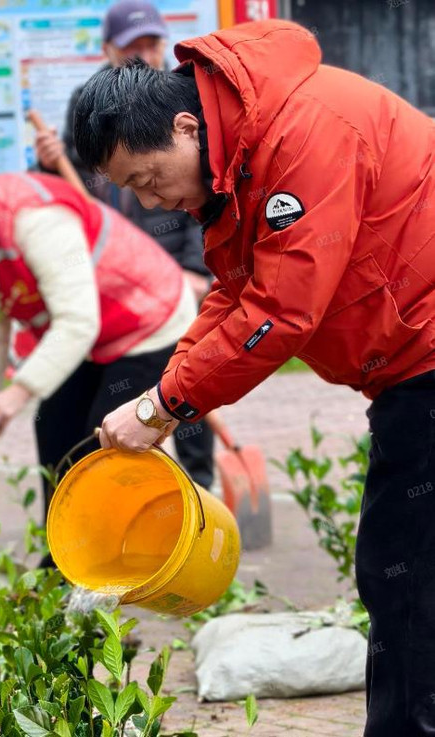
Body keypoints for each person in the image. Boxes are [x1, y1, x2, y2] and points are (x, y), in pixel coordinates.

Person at [71, 17, 435, 737]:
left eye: (148, 179)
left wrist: (161, 405)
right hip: (409, 372)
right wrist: (164, 395)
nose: (151, 203)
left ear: (184, 128)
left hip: (426, 361)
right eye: (133, 190)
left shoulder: (304, 132)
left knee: (406, 572)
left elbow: (281, 310)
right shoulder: (242, 156)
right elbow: (235, 295)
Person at [0, 165, 198, 525]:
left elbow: (77, 321)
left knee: (107, 441)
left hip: (147, 320)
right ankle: (61, 548)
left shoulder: (37, 221)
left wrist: (17, 393)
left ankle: (129, 544)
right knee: (54, 430)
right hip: (88, 336)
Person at [35, 0, 215, 489]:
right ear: (109, 49)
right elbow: (68, 195)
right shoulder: (90, 108)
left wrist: (197, 268)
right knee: (129, 390)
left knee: (192, 373)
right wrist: (48, 165)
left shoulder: (180, 101)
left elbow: (205, 192)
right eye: (133, 45)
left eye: (152, 44)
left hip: (177, 266)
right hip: (117, 277)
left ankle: (201, 486)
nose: (144, 53)